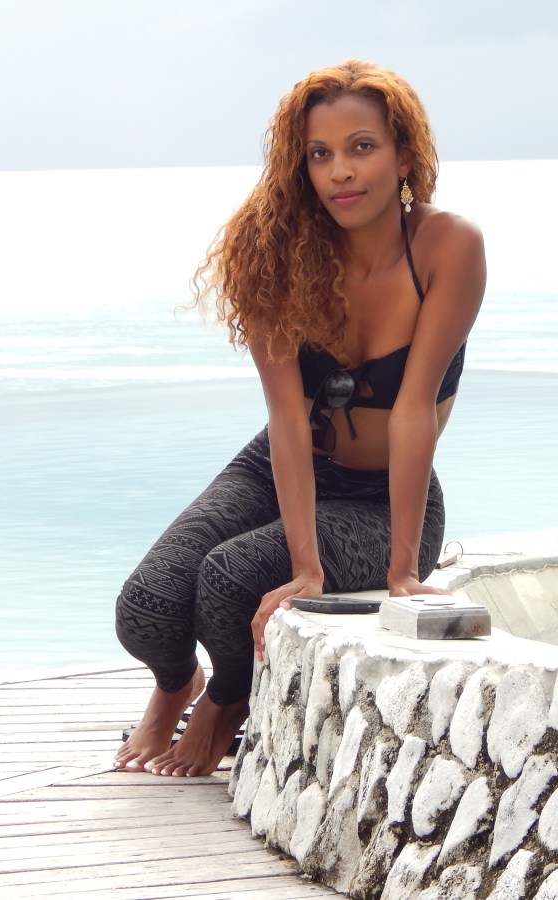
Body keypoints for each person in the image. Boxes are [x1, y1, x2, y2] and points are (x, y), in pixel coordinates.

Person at [113, 60, 486, 777]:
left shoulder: (449, 247)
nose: (340, 170)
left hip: (381, 499)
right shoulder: (274, 257)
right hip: (280, 462)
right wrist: (307, 564)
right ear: (301, 167)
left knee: (229, 580)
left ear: (404, 155)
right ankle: (175, 684)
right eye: (320, 154)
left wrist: (403, 570)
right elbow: (286, 418)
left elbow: (414, 411)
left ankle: (227, 699)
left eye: (362, 147)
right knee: (147, 606)